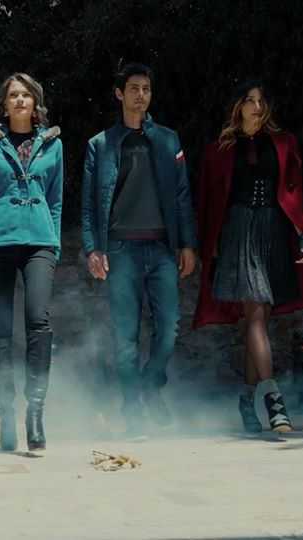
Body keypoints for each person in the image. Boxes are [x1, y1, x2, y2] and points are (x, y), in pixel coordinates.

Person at [194, 81, 303, 433]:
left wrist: (301, 235)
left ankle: (246, 400)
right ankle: (274, 400)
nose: (256, 107)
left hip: (273, 231)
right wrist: (209, 242)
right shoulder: (219, 149)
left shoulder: (285, 143)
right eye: (249, 101)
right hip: (238, 232)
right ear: (238, 106)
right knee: (255, 312)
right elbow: (209, 199)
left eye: (261, 101)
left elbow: (294, 195)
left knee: (260, 320)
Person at [81, 64, 198, 435]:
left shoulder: (168, 140)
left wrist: (188, 243)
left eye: (146, 88)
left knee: (169, 328)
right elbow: (89, 204)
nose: (140, 95)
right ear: (119, 94)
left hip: (161, 248)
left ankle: (150, 385)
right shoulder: (100, 145)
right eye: (133, 88)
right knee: (125, 336)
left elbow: (182, 195)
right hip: (120, 250)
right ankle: (131, 407)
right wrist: (93, 248)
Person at [0, 73, 63, 452]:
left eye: (26, 95)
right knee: (1, 328)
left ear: (35, 102)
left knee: (39, 321)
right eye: (13, 95)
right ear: (4, 105)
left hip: (39, 242)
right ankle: (5, 411)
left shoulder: (53, 144)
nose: (20, 100)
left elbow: (56, 199)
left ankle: (35, 412)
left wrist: (54, 243)